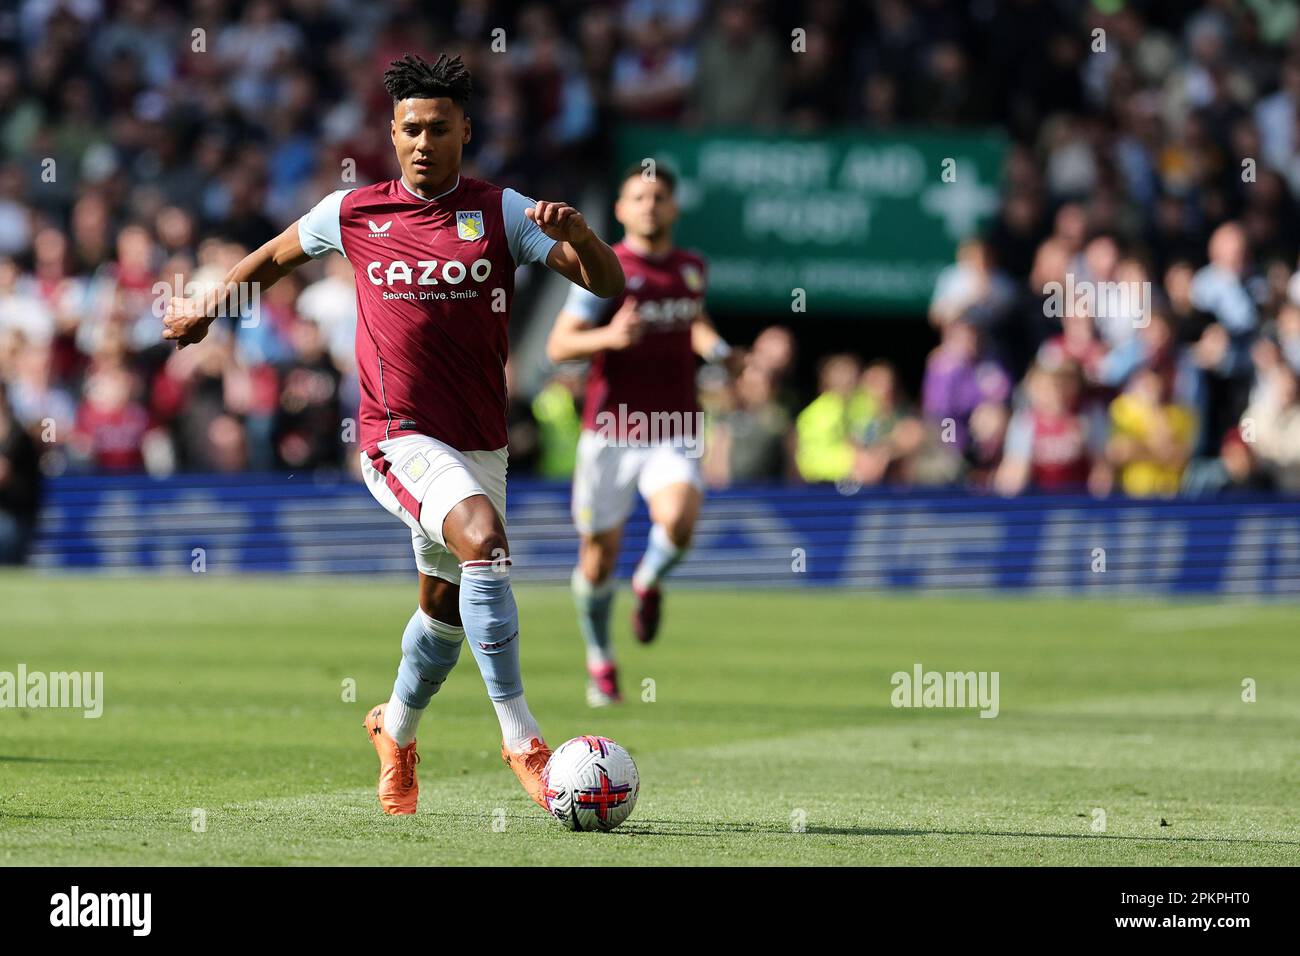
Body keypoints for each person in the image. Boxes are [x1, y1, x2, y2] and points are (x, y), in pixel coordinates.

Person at [162, 53, 624, 814]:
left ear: (465, 131)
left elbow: (606, 285)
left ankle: (395, 727)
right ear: (391, 132)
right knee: (485, 539)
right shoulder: (353, 213)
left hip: (479, 438)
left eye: (439, 128)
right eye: (410, 128)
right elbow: (276, 256)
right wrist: (209, 308)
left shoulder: (502, 211)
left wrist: (583, 236)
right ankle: (524, 741)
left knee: (445, 610)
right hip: (394, 435)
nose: (422, 142)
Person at [545, 163, 732, 706]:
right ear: (622, 210)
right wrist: (611, 335)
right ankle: (600, 659)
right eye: (638, 197)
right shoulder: (606, 267)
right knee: (598, 559)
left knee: (678, 520)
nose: (649, 205)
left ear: (673, 208)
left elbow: (691, 319)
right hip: (610, 430)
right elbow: (559, 346)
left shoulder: (692, 268)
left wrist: (718, 351)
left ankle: (648, 581)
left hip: (672, 425)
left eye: (659, 197)